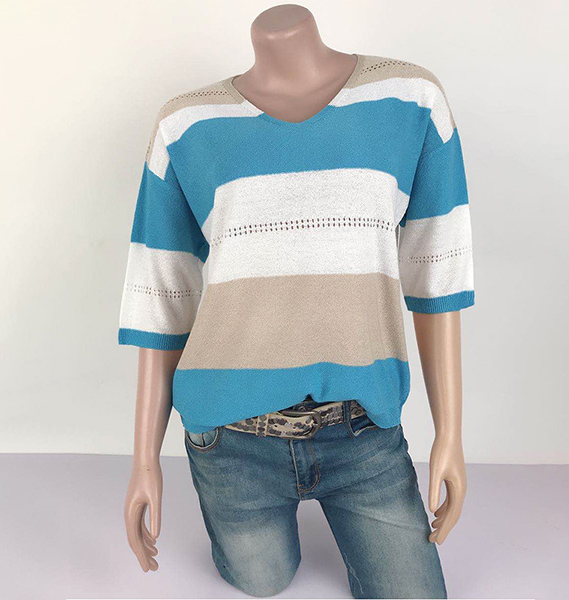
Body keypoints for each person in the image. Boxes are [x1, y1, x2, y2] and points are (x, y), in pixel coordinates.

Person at [119, 6, 474, 598]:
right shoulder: (186, 124)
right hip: (231, 439)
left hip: (362, 433)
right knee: (263, 582)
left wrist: (450, 435)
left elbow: (437, 272)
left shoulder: (410, 100)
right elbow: (162, 295)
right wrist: (144, 462)